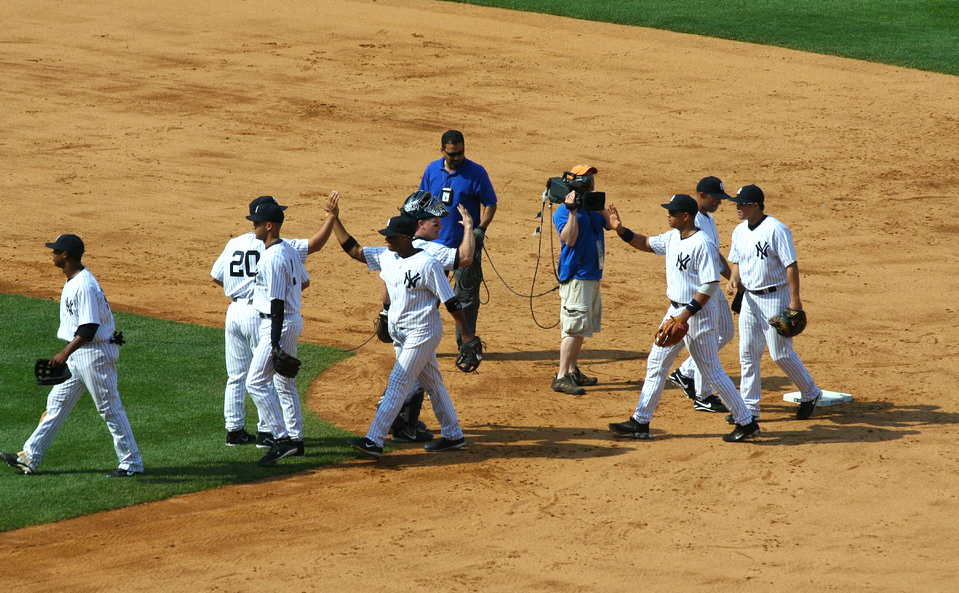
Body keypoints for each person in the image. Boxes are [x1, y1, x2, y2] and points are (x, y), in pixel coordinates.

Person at [606, 195, 759, 442]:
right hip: (676, 312)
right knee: (656, 363)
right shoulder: (672, 237)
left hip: (697, 314)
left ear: (686, 216)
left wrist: (685, 316)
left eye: (672, 212)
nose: (668, 215)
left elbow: (709, 285)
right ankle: (640, 421)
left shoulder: (702, 243)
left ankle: (746, 421)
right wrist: (621, 230)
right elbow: (645, 242)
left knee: (712, 373)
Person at [332, 208, 473, 459]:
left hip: (423, 332)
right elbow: (355, 250)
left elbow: (451, 301)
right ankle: (453, 434)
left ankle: (374, 440)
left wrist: (467, 336)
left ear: (405, 238)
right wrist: (334, 219)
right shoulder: (388, 256)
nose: (386, 239)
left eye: (391, 236)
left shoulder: (428, 264)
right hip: (402, 334)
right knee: (433, 383)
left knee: (398, 381)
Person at [1, 235, 144, 477]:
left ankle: (132, 464)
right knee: (56, 405)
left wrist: (64, 353)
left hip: (93, 355)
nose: (52, 254)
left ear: (66, 255)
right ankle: (30, 456)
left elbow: (88, 328)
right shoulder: (73, 280)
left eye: (55, 250)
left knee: (110, 409)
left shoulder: (84, 284)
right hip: (79, 355)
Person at [211, 193, 338, 450]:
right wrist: (331, 218)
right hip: (262, 315)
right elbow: (313, 249)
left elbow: (216, 276)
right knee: (267, 378)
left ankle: (234, 430)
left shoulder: (234, 243)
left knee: (237, 375)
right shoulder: (281, 247)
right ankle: (268, 433)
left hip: (234, 310)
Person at [726, 184, 823, 421]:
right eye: (737, 203)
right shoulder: (739, 231)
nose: (737, 207)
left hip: (774, 297)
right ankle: (750, 409)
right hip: (749, 298)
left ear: (756, 205)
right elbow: (737, 260)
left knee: (780, 354)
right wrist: (732, 279)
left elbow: (791, 265)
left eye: (742, 204)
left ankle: (810, 392)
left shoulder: (776, 229)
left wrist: (795, 301)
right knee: (747, 353)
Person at [385, 191, 475, 444]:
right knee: (407, 379)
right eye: (436, 222)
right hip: (419, 324)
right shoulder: (430, 250)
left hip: (399, 319)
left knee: (416, 377)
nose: (441, 226)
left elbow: (381, 275)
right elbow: (465, 257)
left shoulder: (395, 249)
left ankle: (409, 427)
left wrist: (384, 311)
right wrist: (469, 229)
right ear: (419, 224)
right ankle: (391, 430)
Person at [243, 200, 325, 466]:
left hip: (277, 323)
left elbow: (276, 302)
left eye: (256, 223)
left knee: (255, 382)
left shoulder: (273, 257)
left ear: (269, 226)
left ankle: (281, 439)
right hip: (290, 319)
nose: (252, 226)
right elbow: (304, 281)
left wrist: (275, 341)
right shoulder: (288, 249)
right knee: (284, 381)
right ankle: (296, 439)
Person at [418, 129, 497, 347]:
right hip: (434, 247)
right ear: (442, 150)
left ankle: (466, 344)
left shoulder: (476, 172)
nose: (456, 158)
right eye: (452, 154)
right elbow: (422, 201)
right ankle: (421, 340)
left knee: (467, 298)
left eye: (460, 153)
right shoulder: (432, 170)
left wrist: (480, 229)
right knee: (428, 296)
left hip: (465, 247)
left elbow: (490, 204)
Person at [668, 176, 736, 414]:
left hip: (712, 285)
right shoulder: (691, 220)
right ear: (701, 195)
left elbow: (716, 257)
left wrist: (732, 278)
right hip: (703, 289)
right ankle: (703, 395)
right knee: (709, 341)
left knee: (725, 333)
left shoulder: (709, 219)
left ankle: (685, 373)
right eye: (716, 198)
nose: (719, 202)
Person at [551, 165, 609, 396]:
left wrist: (600, 206)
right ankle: (561, 376)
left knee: (582, 327)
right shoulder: (563, 212)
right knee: (573, 329)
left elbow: (610, 225)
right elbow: (570, 239)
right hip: (577, 277)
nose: (591, 186)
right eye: (587, 182)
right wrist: (573, 211)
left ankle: (573, 370)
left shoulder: (593, 209)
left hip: (592, 275)